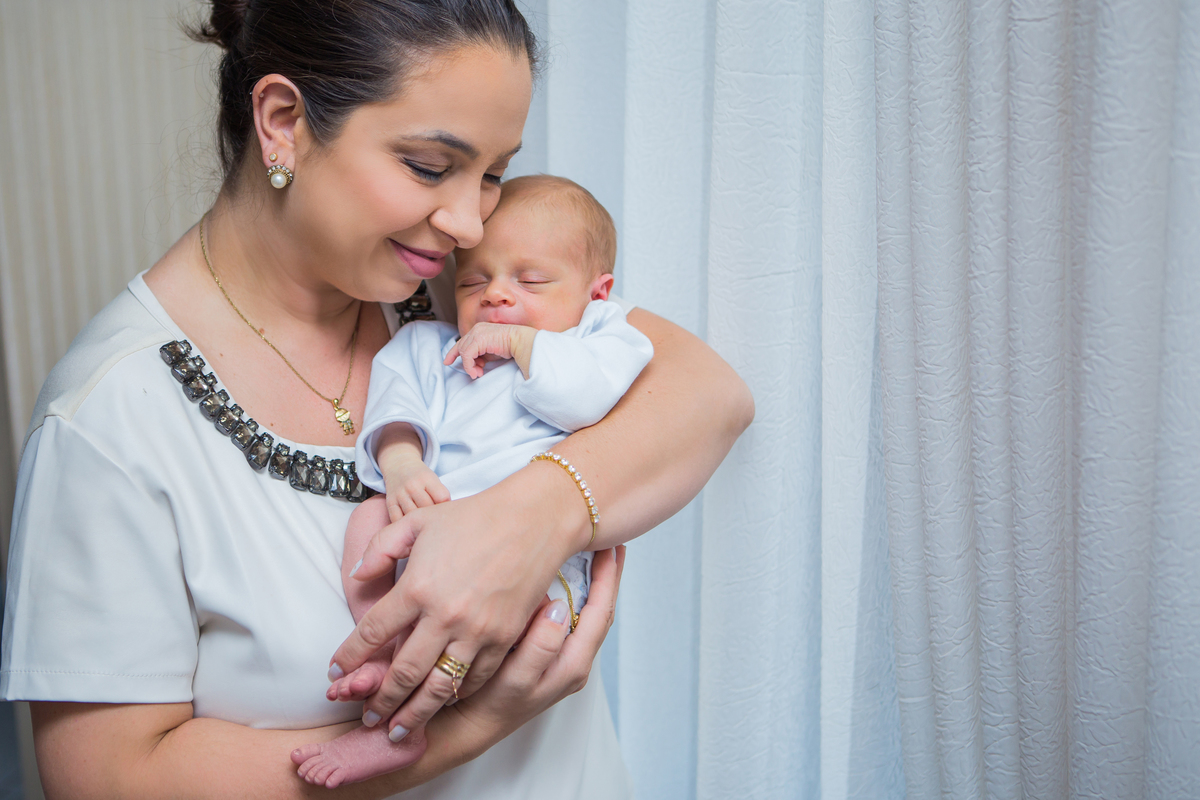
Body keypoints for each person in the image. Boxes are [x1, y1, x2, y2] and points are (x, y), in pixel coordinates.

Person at [0, 1, 754, 798]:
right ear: (283, 122)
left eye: (492, 174)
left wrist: (535, 519)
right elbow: (109, 780)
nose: (469, 224)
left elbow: (709, 391)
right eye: (429, 166)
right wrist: (468, 725)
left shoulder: (469, 293)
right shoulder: (107, 420)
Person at [294, 174, 654, 788]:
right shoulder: (432, 347)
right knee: (367, 520)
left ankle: (404, 726)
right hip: (432, 531)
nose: (496, 295)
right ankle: (390, 652)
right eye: (472, 281)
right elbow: (394, 402)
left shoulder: (602, 341)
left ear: (597, 294)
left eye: (530, 281)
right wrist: (402, 462)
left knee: (508, 629)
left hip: (534, 561)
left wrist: (519, 342)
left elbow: (585, 401)